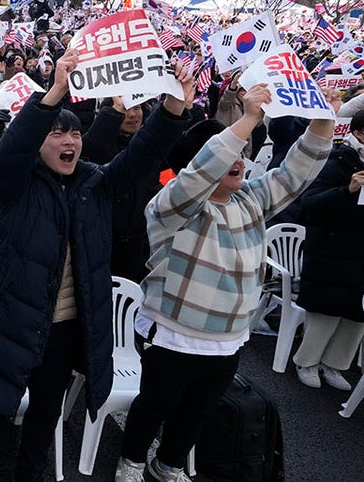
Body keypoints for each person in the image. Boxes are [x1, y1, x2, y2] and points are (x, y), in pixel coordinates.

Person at [0, 48, 194, 482]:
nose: (69, 142)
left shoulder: (94, 183)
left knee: (44, 419)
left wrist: (174, 106)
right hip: (11, 325)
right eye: (56, 134)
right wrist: (55, 93)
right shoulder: (14, 184)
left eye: (74, 135)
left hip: (65, 331)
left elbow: (141, 155)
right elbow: (11, 149)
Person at [115, 85, 336, 482]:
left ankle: (168, 464)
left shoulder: (251, 199)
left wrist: (323, 118)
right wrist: (248, 118)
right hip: (174, 333)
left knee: (199, 408)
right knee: (155, 405)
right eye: (228, 153)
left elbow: (296, 173)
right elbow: (201, 171)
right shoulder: (172, 205)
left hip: (228, 337)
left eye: (242, 153)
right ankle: (131, 460)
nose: (237, 159)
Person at [290, 111, 364, 390]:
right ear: (358, 134)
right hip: (332, 250)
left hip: (359, 253)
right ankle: (307, 361)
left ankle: (334, 365)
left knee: (356, 316)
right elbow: (310, 204)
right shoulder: (338, 161)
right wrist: (348, 189)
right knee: (327, 311)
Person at [82, 97, 161, 282]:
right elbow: (93, 145)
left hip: (139, 242)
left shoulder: (149, 148)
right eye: (125, 109)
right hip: (101, 242)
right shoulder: (98, 144)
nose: (133, 115)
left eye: (137, 107)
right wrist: (112, 113)